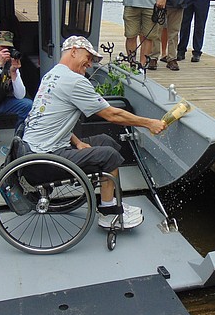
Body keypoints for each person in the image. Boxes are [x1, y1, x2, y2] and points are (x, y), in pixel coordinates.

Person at [22, 36, 167, 229]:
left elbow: (53, 121)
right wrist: (149, 123)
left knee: (105, 140)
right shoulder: (74, 81)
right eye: (88, 57)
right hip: (45, 160)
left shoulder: (51, 75)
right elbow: (112, 114)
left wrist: (78, 142)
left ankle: (110, 199)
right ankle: (108, 214)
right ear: (73, 51)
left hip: (32, 154)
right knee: (109, 156)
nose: (89, 64)